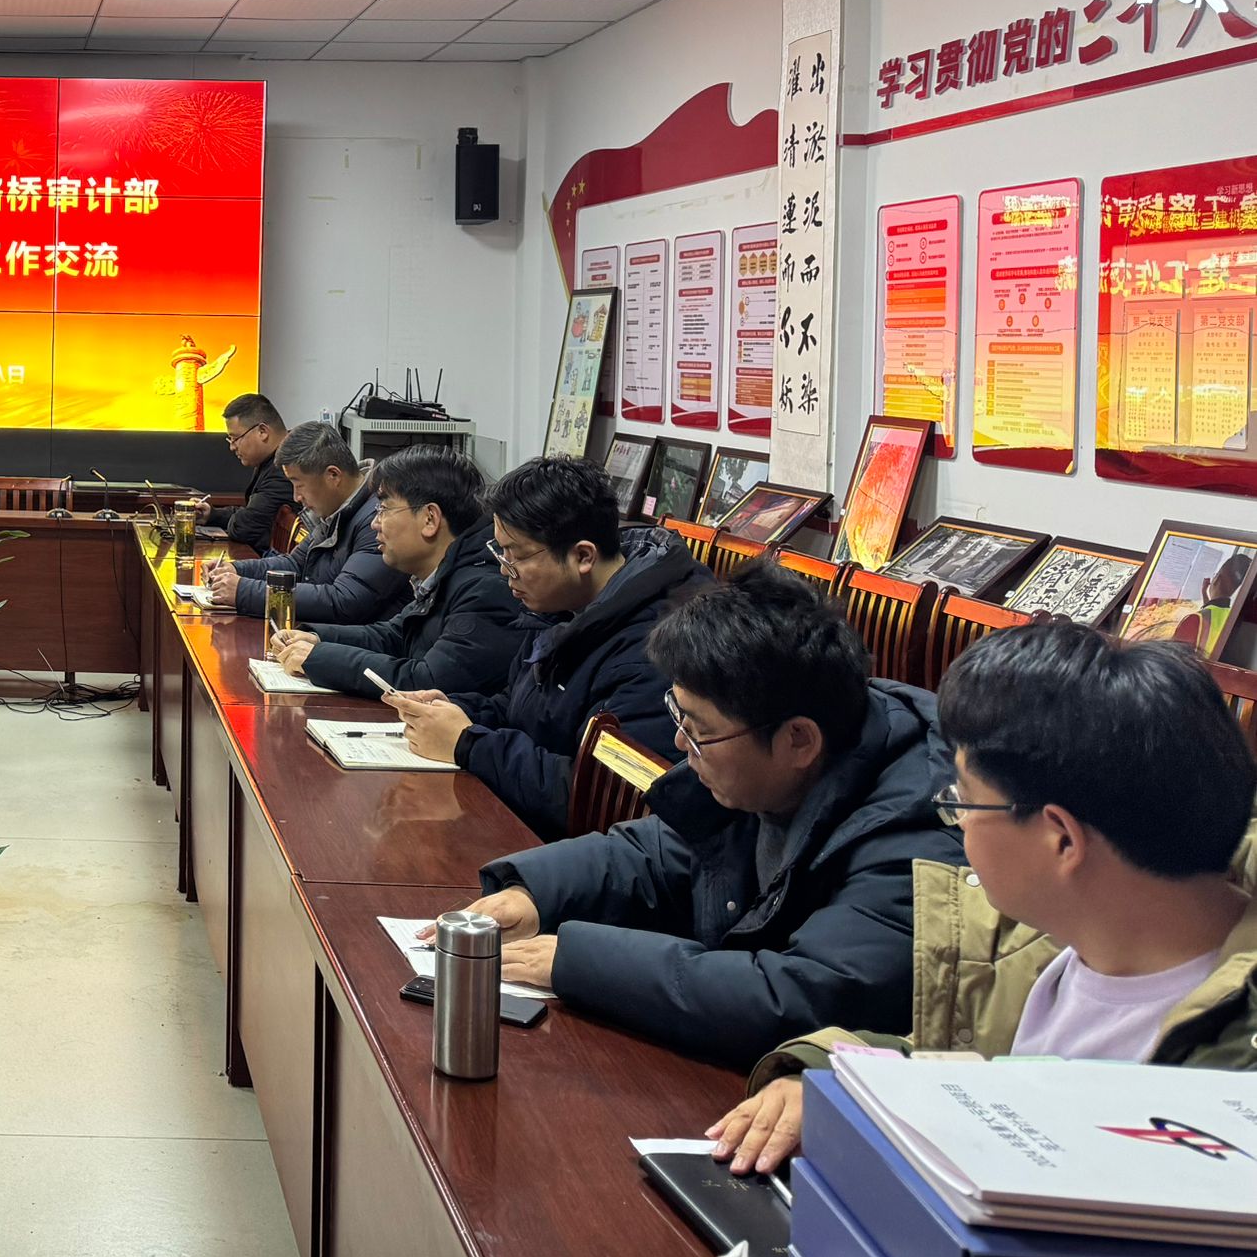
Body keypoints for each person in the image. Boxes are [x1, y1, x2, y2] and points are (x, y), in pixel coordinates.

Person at [710, 623, 1257, 1175]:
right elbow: (964, 1069)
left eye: (964, 802)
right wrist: (825, 1074)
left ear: (1061, 839)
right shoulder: (1052, 942)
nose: (958, 824)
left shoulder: (1233, 1069)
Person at [443, 565, 961, 1070]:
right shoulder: (782, 758)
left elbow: (801, 998)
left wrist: (576, 961)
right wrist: (534, 894)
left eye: (699, 729)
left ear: (798, 740)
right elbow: (665, 850)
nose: (679, 741)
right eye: (679, 714)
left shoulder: (916, 838)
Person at [389, 456, 707, 840]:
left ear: (583, 556)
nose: (504, 569)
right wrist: (455, 710)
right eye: (500, 552)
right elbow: (516, 708)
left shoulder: (655, 651)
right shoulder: (564, 606)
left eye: (517, 555)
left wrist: (469, 743)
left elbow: (603, 796)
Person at [268, 445, 525, 700]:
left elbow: (428, 682)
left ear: (430, 519)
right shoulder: (446, 574)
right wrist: (314, 638)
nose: (374, 523)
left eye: (384, 509)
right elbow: (393, 636)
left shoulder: (485, 589)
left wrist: (319, 658)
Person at [203, 421, 412, 627]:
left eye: (299, 485)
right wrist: (236, 569)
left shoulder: (377, 521)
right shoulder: (336, 509)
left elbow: (346, 601)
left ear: (333, 475)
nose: (296, 497)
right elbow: (295, 565)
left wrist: (244, 591)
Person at [208, 392, 293, 553]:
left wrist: (236, 519)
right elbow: (251, 513)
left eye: (235, 438)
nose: (232, 447)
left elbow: (245, 527)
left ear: (262, 431)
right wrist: (211, 515)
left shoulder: (286, 468)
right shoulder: (271, 460)